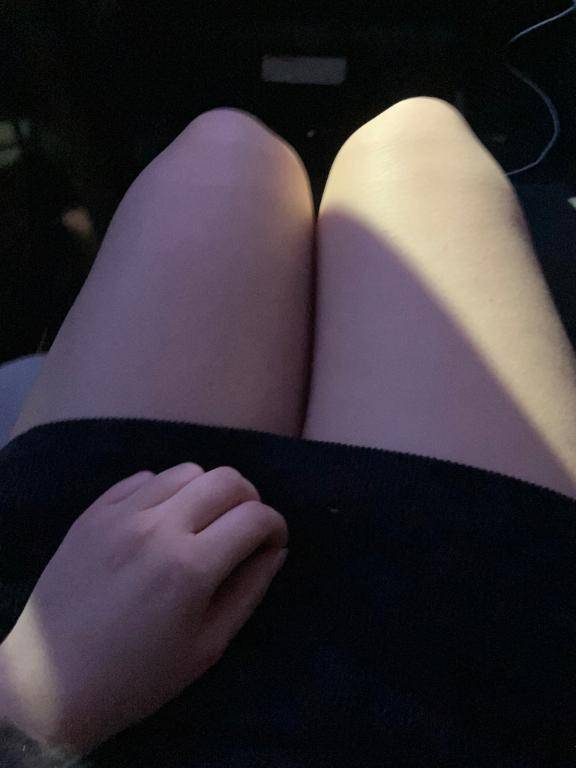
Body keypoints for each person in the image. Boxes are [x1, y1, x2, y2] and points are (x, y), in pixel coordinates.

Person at [1, 98, 576, 767]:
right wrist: (31, 713)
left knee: (226, 146)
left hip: (62, 600)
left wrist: (22, 694)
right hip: (448, 700)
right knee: (413, 138)